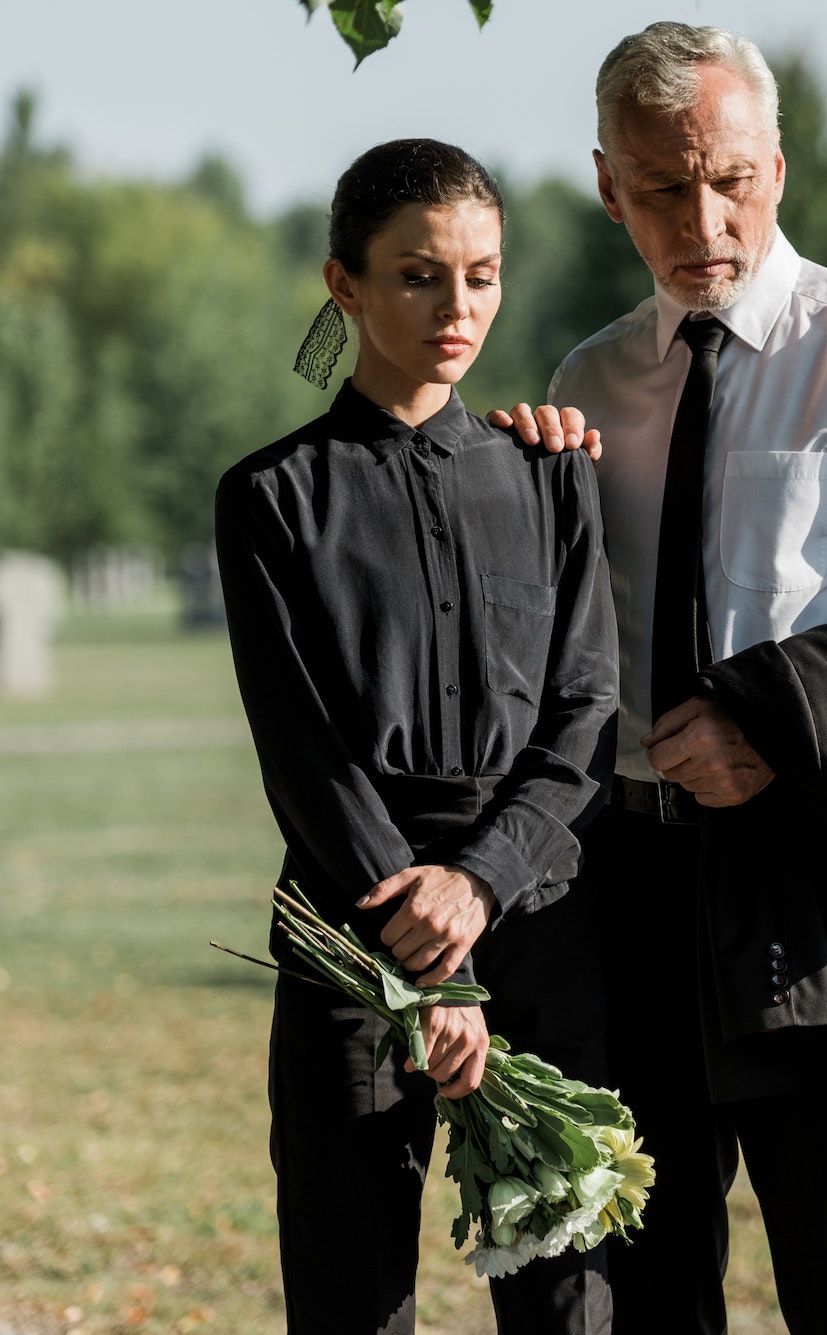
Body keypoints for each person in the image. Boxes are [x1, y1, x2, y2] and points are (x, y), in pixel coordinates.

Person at [495, 21, 827, 1335]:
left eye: (731, 176)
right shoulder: (590, 380)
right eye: (664, 185)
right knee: (644, 1283)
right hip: (633, 884)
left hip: (820, 875)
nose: (705, 216)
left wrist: (775, 723)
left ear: (778, 170)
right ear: (607, 184)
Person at [215, 139, 619, 1335]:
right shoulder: (272, 497)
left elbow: (584, 711)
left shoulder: (553, 477)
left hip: (541, 917)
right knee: (351, 1296)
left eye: (482, 276)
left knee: (569, 1300)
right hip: (352, 923)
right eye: (417, 276)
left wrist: (482, 887)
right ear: (343, 284)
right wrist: (423, 953)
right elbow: (304, 751)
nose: (458, 309)